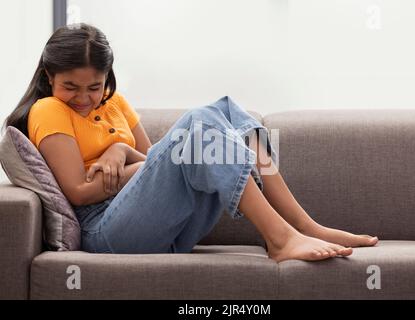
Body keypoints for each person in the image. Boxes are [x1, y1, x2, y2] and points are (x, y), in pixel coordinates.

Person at [3, 23, 378, 262]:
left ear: (107, 79)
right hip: (108, 231)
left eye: (94, 87)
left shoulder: (115, 103)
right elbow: (80, 192)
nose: (84, 98)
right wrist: (151, 162)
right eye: (71, 87)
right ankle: (280, 239)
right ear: (49, 76)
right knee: (197, 126)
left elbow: (152, 163)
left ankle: (303, 225)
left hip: (164, 224)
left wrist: (120, 150)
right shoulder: (49, 109)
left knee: (228, 109)